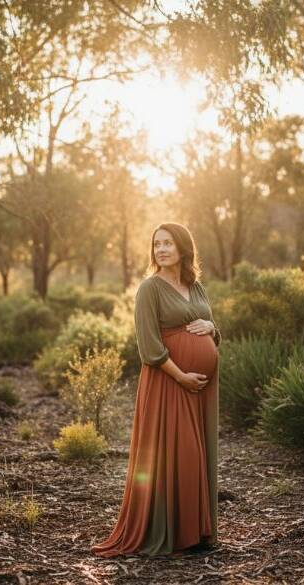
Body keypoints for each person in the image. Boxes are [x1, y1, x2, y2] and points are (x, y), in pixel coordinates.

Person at [90, 222, 221, 557]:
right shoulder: (149, 288)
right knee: (182, 453)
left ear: (182, 248)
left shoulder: (195, 286)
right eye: (156, 244)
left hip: (200, 388)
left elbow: (207, 328)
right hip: (169, 382)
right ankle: (178, 534)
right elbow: (148, 347)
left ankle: (200, 531)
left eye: (168, 243)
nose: (161, 249)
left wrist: (213, 328)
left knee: (199, 453)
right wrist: (182, 377)